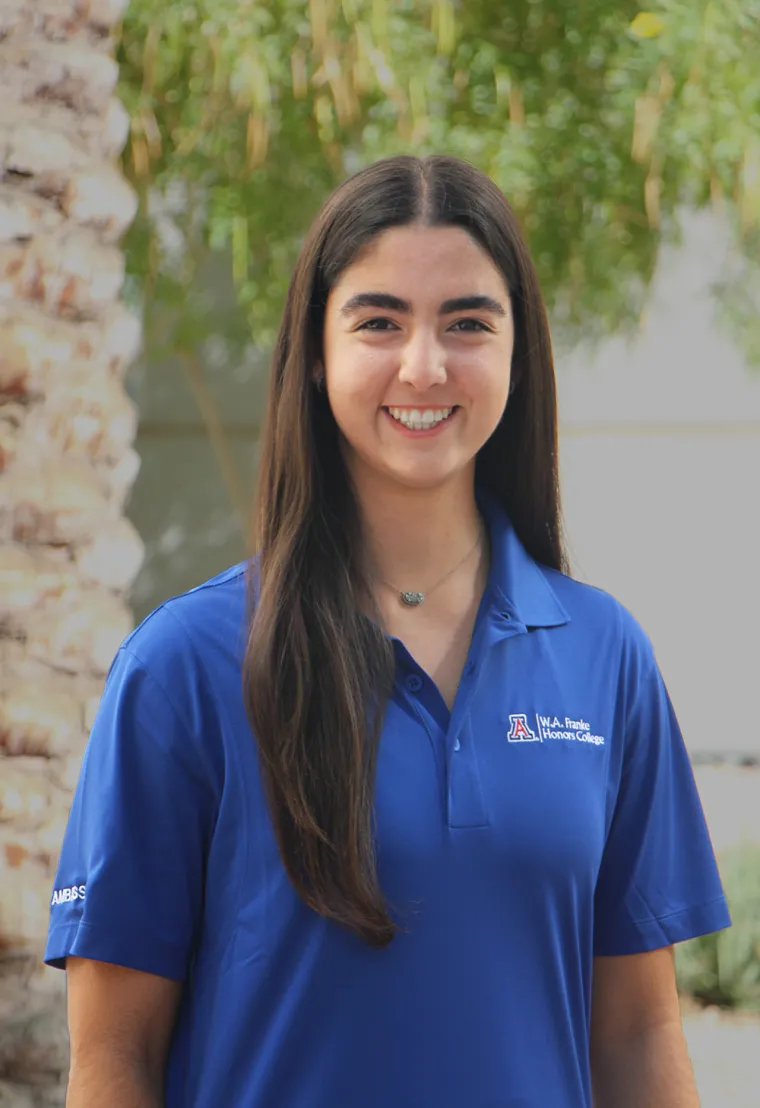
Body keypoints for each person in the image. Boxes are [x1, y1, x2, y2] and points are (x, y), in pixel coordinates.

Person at [46, 155, 730, 1108]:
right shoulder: (186, 664)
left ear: (518, 355)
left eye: (467, 323)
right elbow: (116, 1056)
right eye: (378, 321)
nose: (424, 365)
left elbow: (639, 1034)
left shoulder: (603, 655)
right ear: (317, 355)